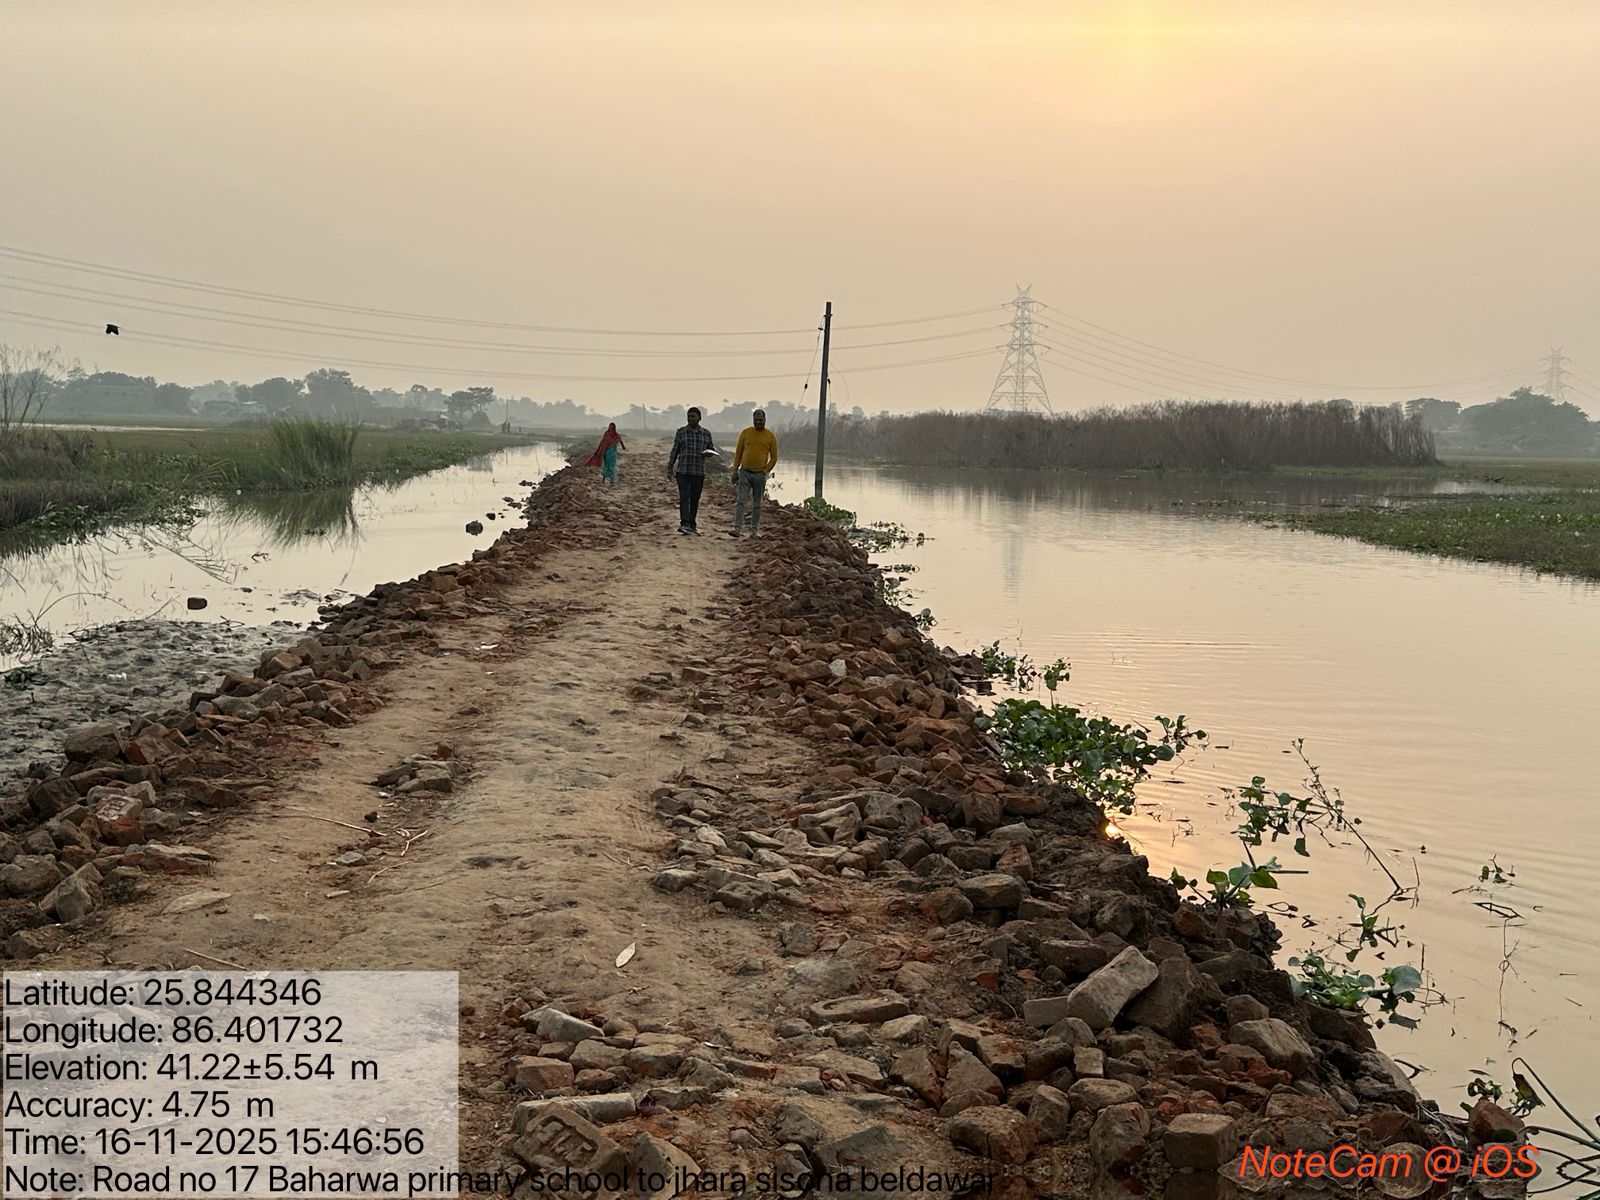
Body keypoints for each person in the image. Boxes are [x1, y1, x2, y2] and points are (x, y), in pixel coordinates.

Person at [666, 406, 716, 535]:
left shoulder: (706, 434)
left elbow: (711, 449)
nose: (691, 419)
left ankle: (692, 524)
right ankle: (684, 524)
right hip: (683, 471)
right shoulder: (681, 432)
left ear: (699, 418)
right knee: (684, 498)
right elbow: (674, 451)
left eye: (693, 416)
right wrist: (670, 468)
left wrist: (709, 454)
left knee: (694, 499)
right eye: (689, 417)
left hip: (698, 472)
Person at [728, 408, 778, 538]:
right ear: (753, 420)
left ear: (765, 420)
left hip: (760, 474)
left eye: (760, 420)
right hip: (744, 472)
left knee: (757, 504)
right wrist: (735, 471)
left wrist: (765, 471)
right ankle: (737, 529)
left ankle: (754, 531)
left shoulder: (770, 436)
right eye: (756, 420)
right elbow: (738, 453)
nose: (758, 422)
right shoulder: (746, 433)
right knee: (741, 501)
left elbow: (774, 458)